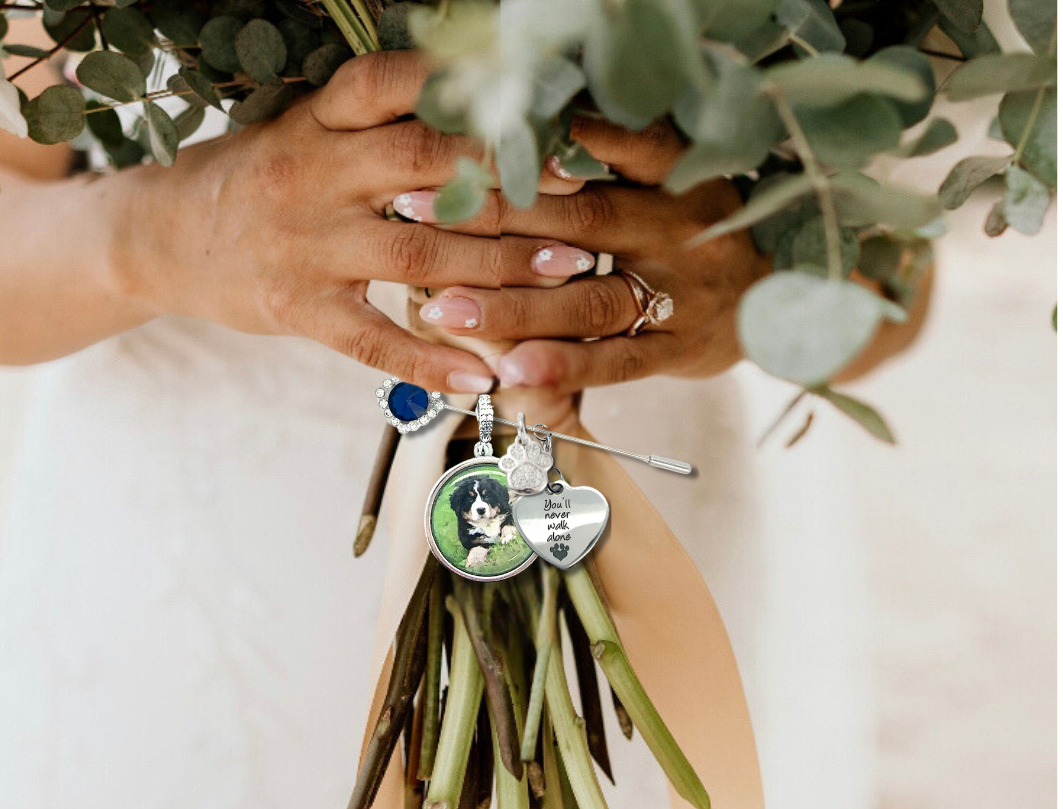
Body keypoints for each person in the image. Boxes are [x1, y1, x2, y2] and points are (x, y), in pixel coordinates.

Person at [0, 46, 928, 808]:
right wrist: (169, 228)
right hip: (188, 586)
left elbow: (898, 285)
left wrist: (769, 282)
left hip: (652, 550)